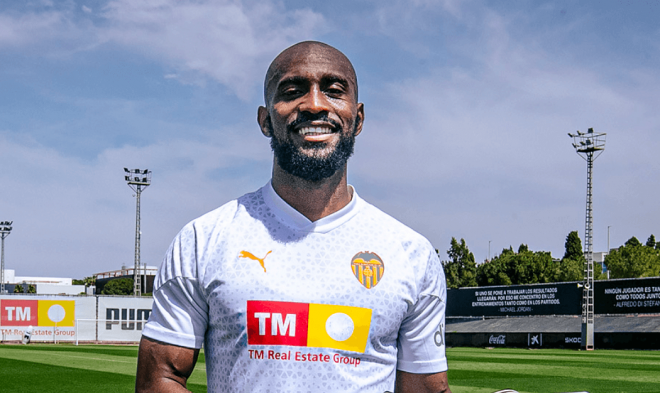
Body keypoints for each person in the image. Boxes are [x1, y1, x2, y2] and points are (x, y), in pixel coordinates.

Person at [136, 41, 452, 393]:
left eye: (334, 91)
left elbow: (425, 389)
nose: (315, 104)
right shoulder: (204, 239)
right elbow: (158, 381)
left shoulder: (410, 253)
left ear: (357, 118)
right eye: (292, 91)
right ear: (265, 120)